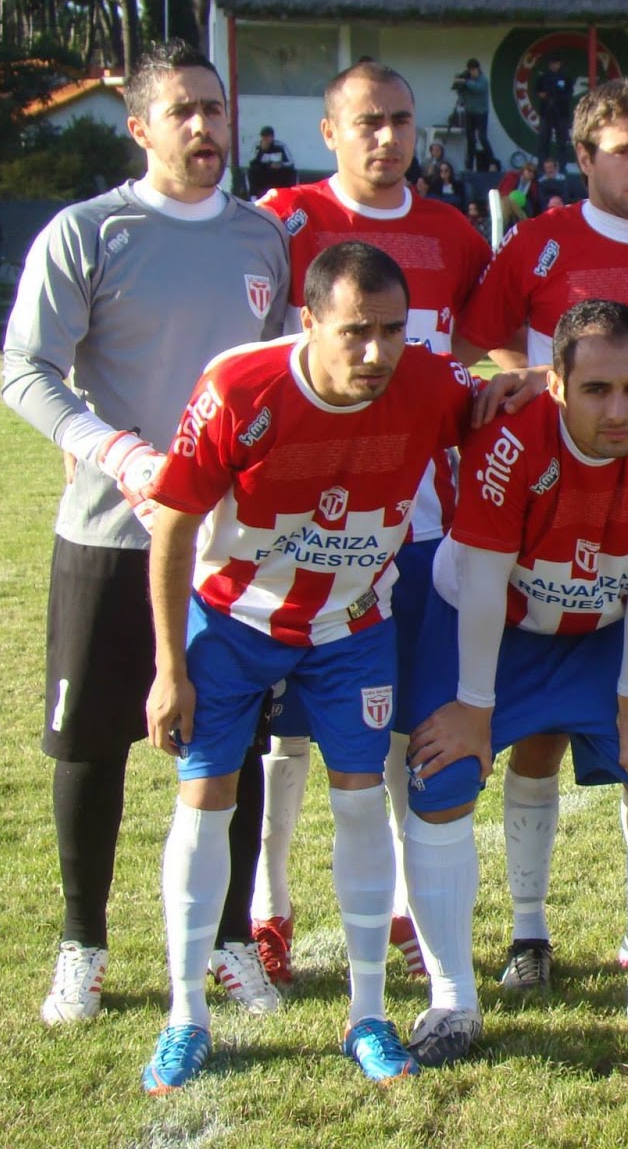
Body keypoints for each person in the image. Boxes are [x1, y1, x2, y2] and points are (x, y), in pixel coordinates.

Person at [137, 240, 482, 1093]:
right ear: (310, 320)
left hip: (351, 625)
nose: (377, 352)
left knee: (361, 801)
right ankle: (186, 1015)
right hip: (234, 618)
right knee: (206, 799)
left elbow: (496, 404)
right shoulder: (239, 386)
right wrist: (169, 668)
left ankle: (368, 1014)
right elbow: (173, 524)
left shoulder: (428, 382)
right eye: (356, 330)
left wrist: (525, 384)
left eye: (393, 330)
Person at [0, 39, 290, 1030]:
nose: (206, 126)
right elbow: (25, 370)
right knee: (92, 744)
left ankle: (228, 941)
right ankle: (82, 944)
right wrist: (115, 451)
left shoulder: (262, 238)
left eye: (215, 108)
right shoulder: (87, 233)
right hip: (111, 535)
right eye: (183, 111)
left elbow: (282, 377)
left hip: (228, 550)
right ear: (140, 129)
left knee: (232, 742)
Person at [457, 77, 628, 990]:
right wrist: (535, 381)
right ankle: (528, 931)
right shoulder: (539, 240)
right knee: (537, 736)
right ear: (583, 158)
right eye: (622, 151)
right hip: (551, 509)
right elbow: (480, 345)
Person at [399, 299, 628, 1064]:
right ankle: (452, 1001)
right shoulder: (512, 436)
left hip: (600, 630)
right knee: (443, 775)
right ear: (556, 385)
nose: (620, 410)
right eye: (597, 390)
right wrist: (474, 708)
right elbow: (483, 582)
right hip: (493, 624)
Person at [252, 60, 493, 989]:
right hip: (296, 525)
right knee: (287, 734)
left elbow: (467, 352)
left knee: (396, 722)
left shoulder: (452, 232)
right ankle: (268, 905)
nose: (387, 137)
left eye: (401, 119)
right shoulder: (283, 220)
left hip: (417, 525)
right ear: (329, 131)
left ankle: (399, 903)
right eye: (367, 121)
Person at [453, 58, 494, 173]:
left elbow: (477, 88)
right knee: (470, 139)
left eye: (474, 70)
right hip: (469, 112)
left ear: (478, 69)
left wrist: (465, 81)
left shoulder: (483, 80)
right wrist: (460, 92)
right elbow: (462, 92)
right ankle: (469, 166)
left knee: (482, 137)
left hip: (481, 113)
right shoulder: (467, 79)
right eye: (470, 70)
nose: (472, 72)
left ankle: (492, 161)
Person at [534, 57, 573, 164]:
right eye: (551, 63)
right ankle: (542, 167)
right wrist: (542, 95)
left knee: (562, 142)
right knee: (544, 140)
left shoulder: (565, 77)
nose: (553, 65)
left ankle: (562, 167)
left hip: (561, 113)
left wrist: (557, 97)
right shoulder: (543, 77)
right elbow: (537, 91)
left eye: (555, 63)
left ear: (559, 64)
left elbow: (569, 93)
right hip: (546, 112)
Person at [245, 125, 296, 198]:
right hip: (263, 172)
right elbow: (251, 162)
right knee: (251, 171)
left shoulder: (280, 146)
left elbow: (291, 162)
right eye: (263, 137)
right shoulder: (257, 146)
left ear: (272, 137)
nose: (265, 139)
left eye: (268, 137)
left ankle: (290, 196)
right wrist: (261, 151)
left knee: (291, 172)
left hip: (278, 171)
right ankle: (253, 197)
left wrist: (281, 165)